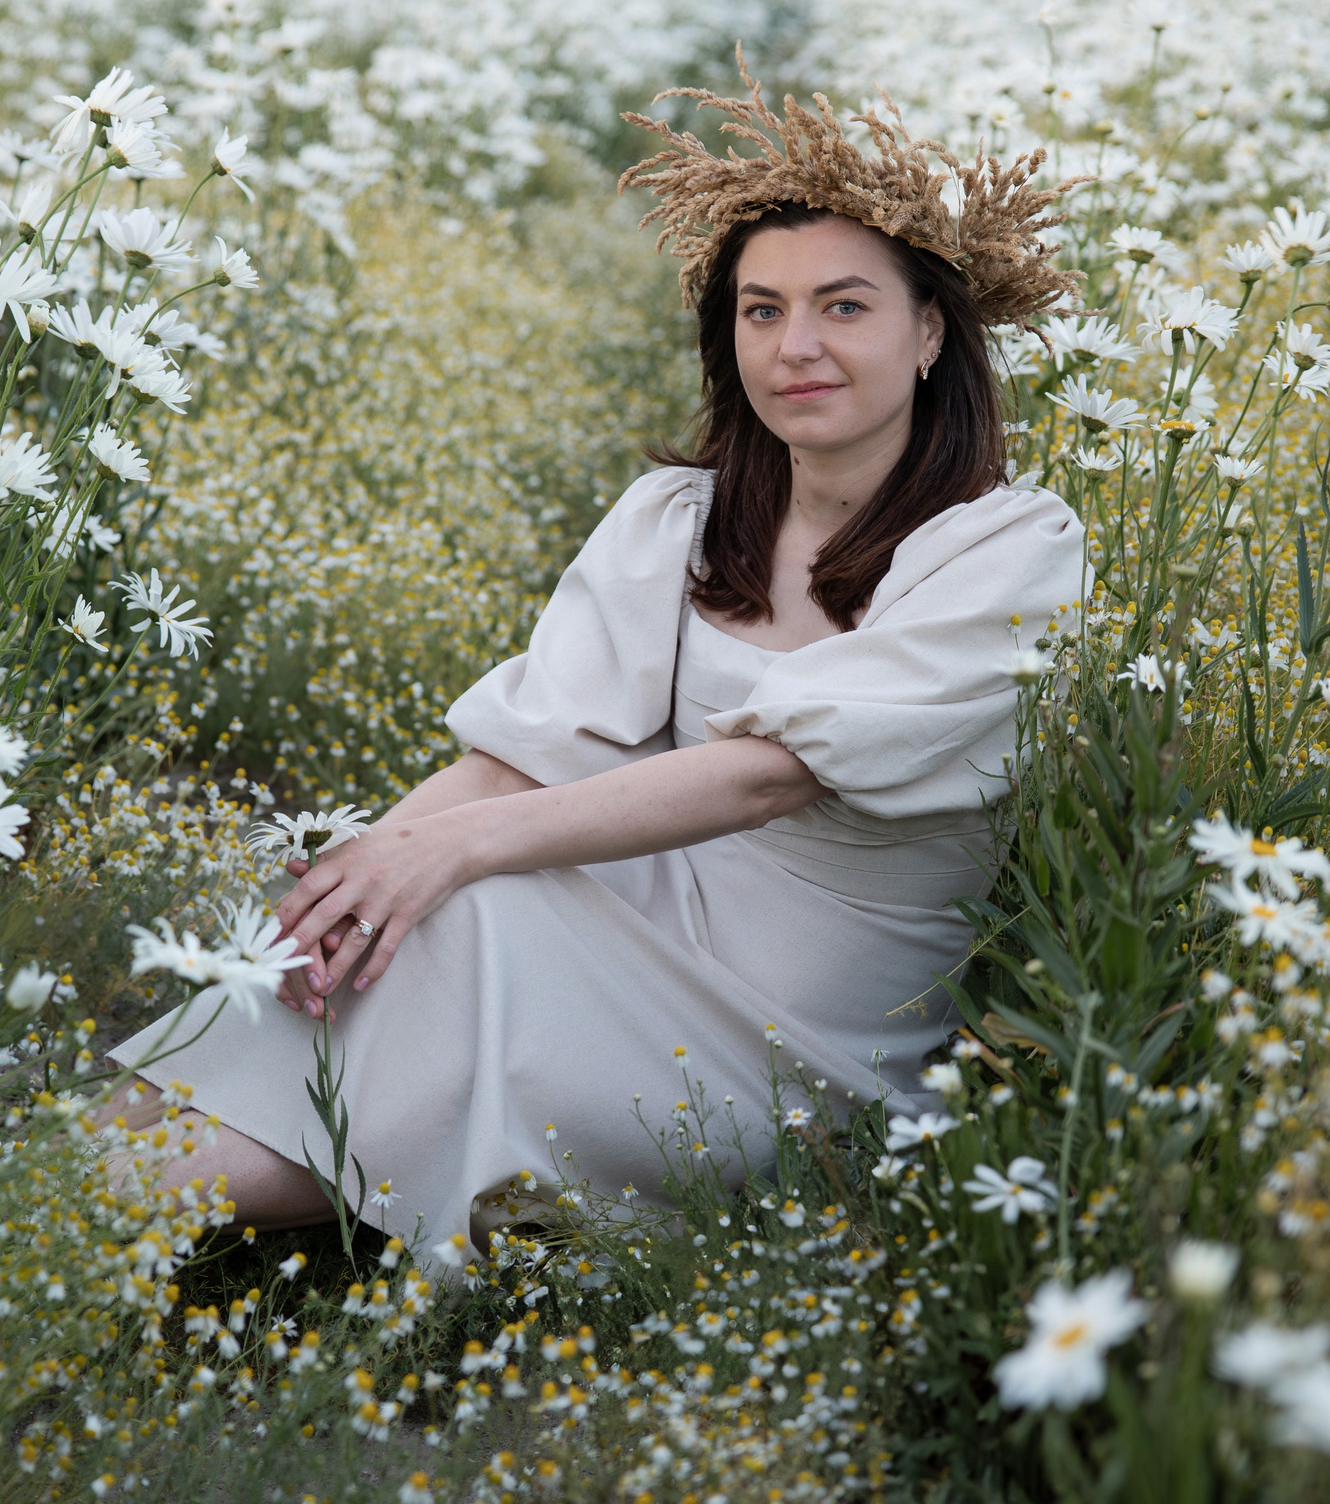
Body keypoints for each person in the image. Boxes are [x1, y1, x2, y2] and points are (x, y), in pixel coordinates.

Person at [105, 77, 1090, 1274]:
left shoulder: (1008, 548)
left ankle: (54, 1220)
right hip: (625, 936)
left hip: (795, 1053)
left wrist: (448, 855)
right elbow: (517, 760)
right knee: (377, 929)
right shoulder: (681, 519)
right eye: (762, 309)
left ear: (929, 332)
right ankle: (35, 1192)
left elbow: (768, 775)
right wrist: (351, 886)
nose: (796, 346)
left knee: (468, 902)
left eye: (843, 306)